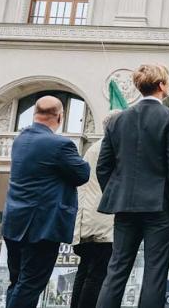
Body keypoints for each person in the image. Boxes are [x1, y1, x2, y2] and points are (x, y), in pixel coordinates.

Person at [96, 64, 169, 308]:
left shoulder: (118, 120)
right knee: (154, 273)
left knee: (116, 271)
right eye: (168, 80)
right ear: (161, 85)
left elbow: (103, 167)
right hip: (161, 208)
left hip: (125, 206)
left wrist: (118, 193)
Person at [2, 96, 90, 308]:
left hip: (14, 223)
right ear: (60, 117)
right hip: (41, 227)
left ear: (34, 114)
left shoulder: (20, 140)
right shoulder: (60, 145)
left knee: (17, 282)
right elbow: (82, 174)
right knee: (31, 284)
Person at [70, 110, 120, 308]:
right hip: (103, 222)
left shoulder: (93, 148)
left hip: (87, 220)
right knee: (98, 274)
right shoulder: (111, 148)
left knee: (85, 271)